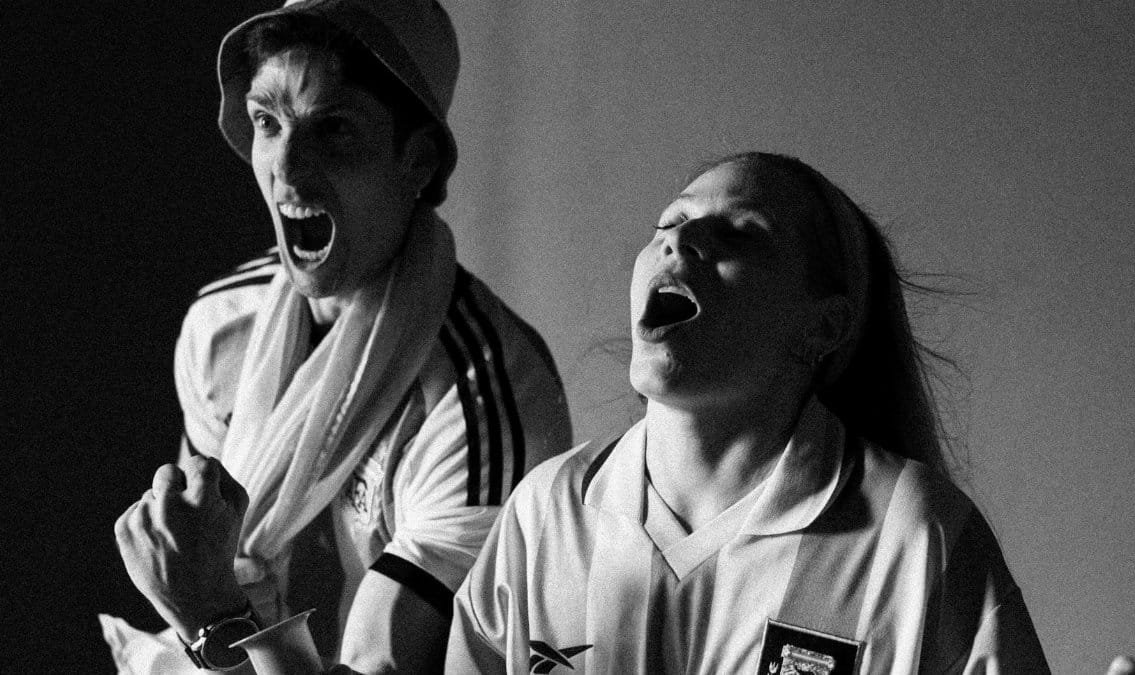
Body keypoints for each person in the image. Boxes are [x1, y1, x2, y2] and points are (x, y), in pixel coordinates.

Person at [100, 1, 571, 672]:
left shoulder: (483, 404)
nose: (287, 172)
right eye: (268, 123)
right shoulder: (221, 327)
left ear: (417, 160)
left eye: (336, 130)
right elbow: (203, 551)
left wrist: (211, 616)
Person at [446, 152, 1052, 673]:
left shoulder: (917, 533)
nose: (678, 240)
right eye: (670, 221)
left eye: (738, 232)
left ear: (824, 324)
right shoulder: (544, 514)